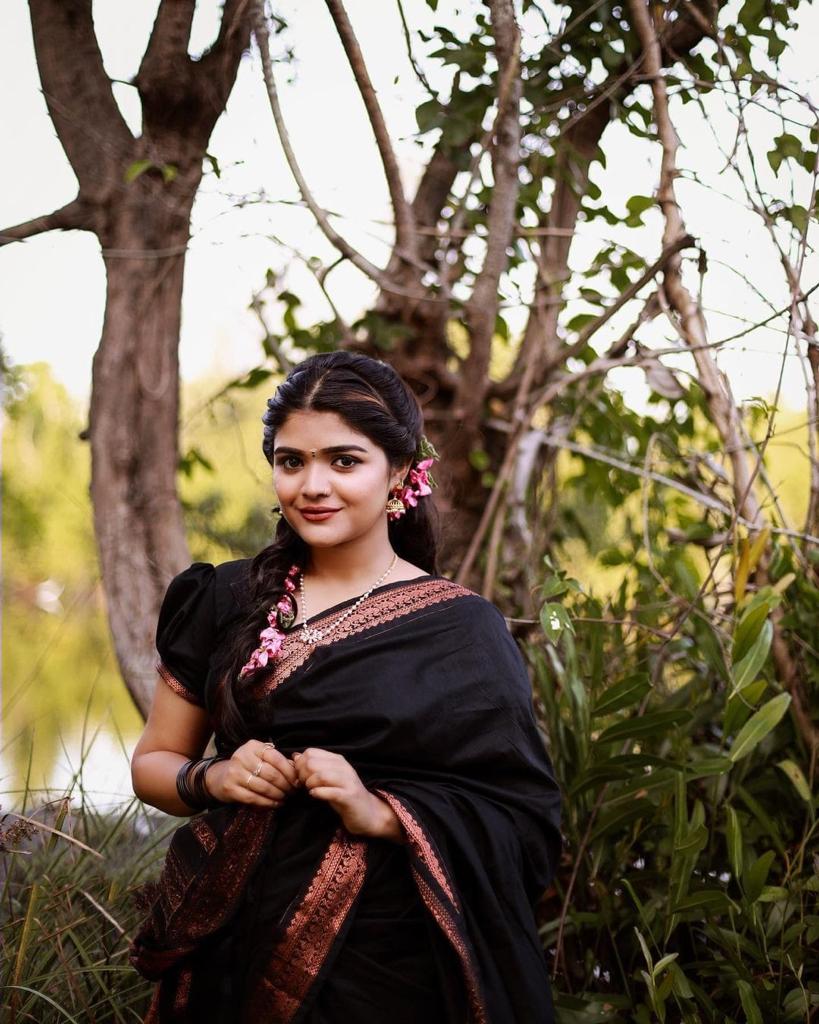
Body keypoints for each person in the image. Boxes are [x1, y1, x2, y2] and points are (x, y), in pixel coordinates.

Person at [129, 350, 562, 1023]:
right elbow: (153, 765)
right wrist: (213, 780)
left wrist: (380, 812)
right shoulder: (224, 597)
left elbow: (523, 819)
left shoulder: (461, 630)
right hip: (229, 949)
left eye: (344, 461)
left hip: (388, 968)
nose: (312, 485)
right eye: (291, 461)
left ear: (399, 475)